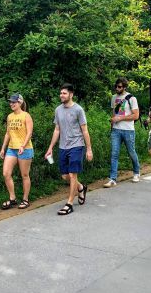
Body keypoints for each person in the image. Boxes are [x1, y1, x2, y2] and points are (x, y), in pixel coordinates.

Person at [45, 83, 93, 215]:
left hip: (77, 145)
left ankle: (69, 203)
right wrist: (50, 148)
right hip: (63, 146)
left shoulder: (78, 110)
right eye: (61, 93)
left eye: (64, 93)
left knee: (72, 175)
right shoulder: (58, 110)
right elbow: (57, 130)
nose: (61, 95)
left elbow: (85, 130)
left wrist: (89, 149)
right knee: (64, 175)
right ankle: (81, 188)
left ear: (71, 95)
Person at [104, 77, 141, 187]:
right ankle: (112, 179)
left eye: (119, 87)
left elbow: (136, 115)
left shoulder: (131, 98)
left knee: (131, 152)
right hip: (116, 130)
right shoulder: (114, 97)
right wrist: (112, 124)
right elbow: (114, 113)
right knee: (114, 154)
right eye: (116, 86)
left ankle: (136, 172)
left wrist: (120, 118)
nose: (117, 88)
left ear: (124, 87)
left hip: (128, 130)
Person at [0, 93, 33, 210]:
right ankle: (12, 199)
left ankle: (25, 199)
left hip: (25, 149)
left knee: (24, 175)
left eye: (14, 102)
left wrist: (23, 146)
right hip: (11, 149)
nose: (11, 104)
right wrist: (3, 148)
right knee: (6, 173)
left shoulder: (26, 116)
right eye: (10, 102)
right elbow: (8, 133)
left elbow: (29, 133)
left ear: (20, 102)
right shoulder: (10, 117)